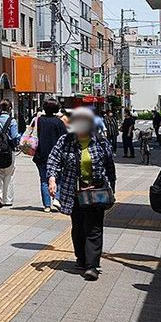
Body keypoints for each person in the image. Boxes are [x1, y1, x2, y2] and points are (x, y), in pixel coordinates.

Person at [47, 107, 117, 281]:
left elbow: (110, 166)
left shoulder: (100, 141)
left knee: (94, 227)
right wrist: (52, 179)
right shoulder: (65, 141)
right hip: (74, 191)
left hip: (96, 190)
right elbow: (53, 160)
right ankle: (81, 258)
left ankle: (92, 265)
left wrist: (111, 187)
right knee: (78, 227)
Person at [33, 98, 69, 213]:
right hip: (56, 156)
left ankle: (47, 206)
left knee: (44, 180)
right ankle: (57, 199)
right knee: (58, 178)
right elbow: (65, 138)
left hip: (41, 154)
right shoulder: (58, 122)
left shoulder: (39, 120)